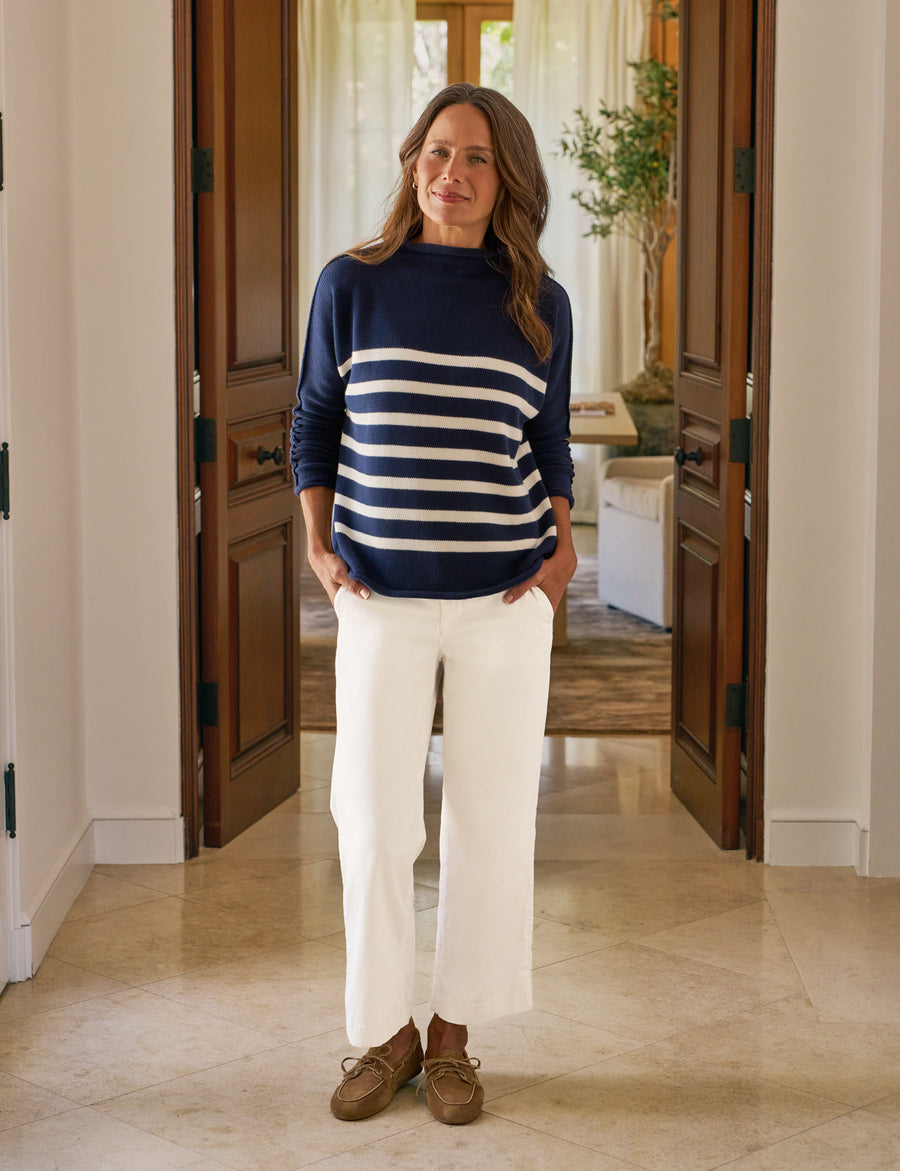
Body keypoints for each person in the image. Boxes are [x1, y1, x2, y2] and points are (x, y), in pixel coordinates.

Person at [290, 83, 575, 1126]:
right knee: (370, 824)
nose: (452, 173)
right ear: (414, 162)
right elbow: (315, 417)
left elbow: (546, 442)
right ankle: (385, 1033)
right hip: (381, 601)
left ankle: (455, 1035)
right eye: (438, 151)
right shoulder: (352, 285)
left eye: (479, 159)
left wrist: (563, 540)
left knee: (492, 822)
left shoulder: (539, 299)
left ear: (508, 182)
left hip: (504, 601)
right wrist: (319, 545)